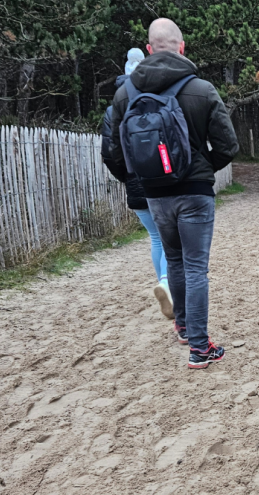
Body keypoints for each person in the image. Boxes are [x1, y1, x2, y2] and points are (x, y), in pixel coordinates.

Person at [107, 18, 239, 369]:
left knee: (176, 262)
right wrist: (202, 170)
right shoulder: (202, 89)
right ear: (182, 47)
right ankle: (199, 347)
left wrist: (138, 178)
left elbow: (112, 152)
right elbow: (228, 145)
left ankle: (182, 327)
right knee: (196, 267)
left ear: (149, 49)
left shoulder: (125, 93)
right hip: (194, 193)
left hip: (155, 194)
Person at [100, 48, 174, 320]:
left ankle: (164, 284)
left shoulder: (114, 108)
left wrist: (129, 177)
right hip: (163, 183)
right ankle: (168, 285)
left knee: (155, 238)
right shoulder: (162, 99)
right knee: (169, 239)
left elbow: (110, 154)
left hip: (135, 185)